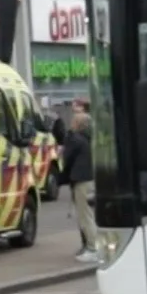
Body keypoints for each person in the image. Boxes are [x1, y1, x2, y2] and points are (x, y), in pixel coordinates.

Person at [65, 110, 99, 263]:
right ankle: (91, 246)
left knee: (85, 216)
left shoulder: (74, 139)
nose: (71, 123)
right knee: (87, 215)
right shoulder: (88, 138)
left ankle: (93, 248)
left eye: (73, 121)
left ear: (78, 125)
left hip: (80, 180)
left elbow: (68, 159)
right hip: (89, 178)